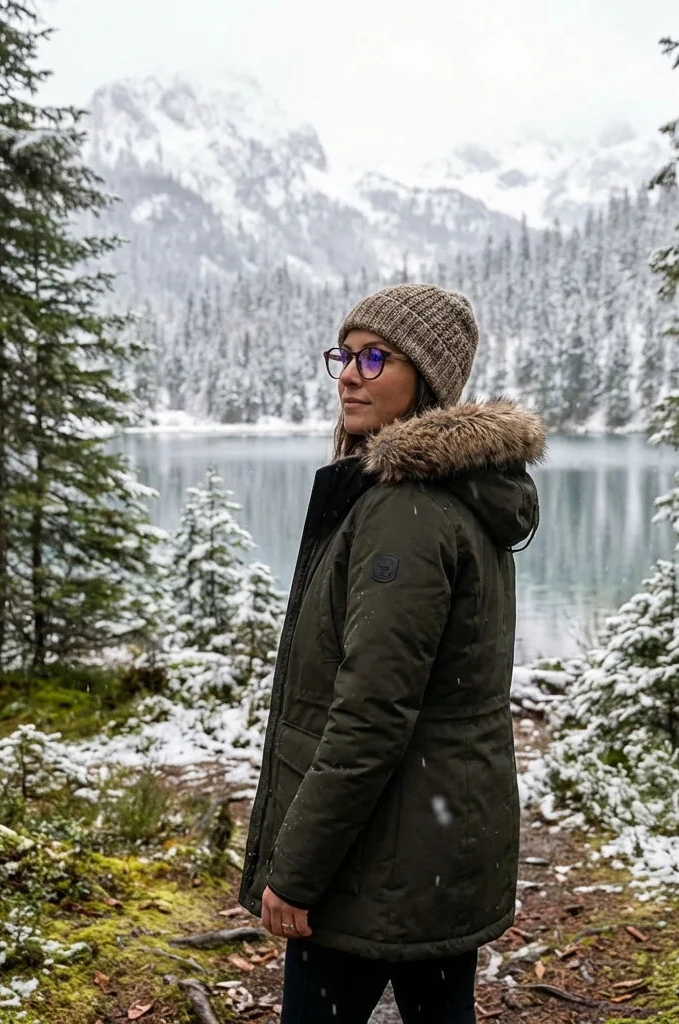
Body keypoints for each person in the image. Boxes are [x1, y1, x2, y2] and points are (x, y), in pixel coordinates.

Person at [238, 283, 544, 1024]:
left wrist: (298, 871)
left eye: (376, 358)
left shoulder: (406, 511)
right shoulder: (455, 493)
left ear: (426, 380)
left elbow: (371, 715)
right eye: (345, 354)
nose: (349, 373)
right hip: (437, 851)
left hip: (376, 864)